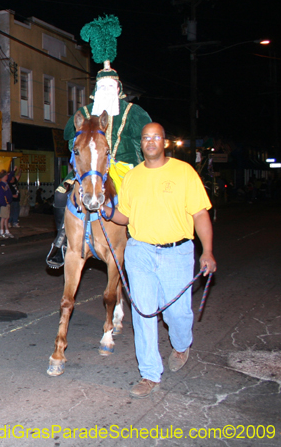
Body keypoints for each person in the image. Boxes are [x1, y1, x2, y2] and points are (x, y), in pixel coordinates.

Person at [110, 122, 216, 398]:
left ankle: (181, 345)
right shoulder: (132, 176)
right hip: (140, 252)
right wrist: (105, 211)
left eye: (156, 137)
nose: (150, 141)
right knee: (144, 313)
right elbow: (125, 215)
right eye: (146, 138)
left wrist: (207, 251)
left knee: (176, 314)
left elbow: (200, 214)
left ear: (164, 142)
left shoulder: (183, 172)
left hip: (177, 252)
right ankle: (149, 374)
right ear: (141, 143)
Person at [46, 15, 152, 268]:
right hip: (93, 169)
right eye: (101, 86)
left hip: (125, 168)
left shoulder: (133, 112)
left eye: (111, 86)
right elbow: (66, 134)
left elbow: (149, 137)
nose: (106, 91)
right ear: (96, 90)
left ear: (119, 89)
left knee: (140, 201)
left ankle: (144, 241)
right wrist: (79, 122)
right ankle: (62, 241)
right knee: (61, 196)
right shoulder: (87, 113)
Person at [0, 170, 14, 238]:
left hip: (7, 202)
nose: (7, 177)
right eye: (6, 176)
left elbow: (10, 177)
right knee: (3, 218)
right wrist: (4, 203)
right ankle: (1, 232)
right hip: (4, 203)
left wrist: (13, 171)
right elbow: (1, 195)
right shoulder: (1, 185)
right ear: (3, 177)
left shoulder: (5, 183)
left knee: (6, 217)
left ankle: (7, 231)